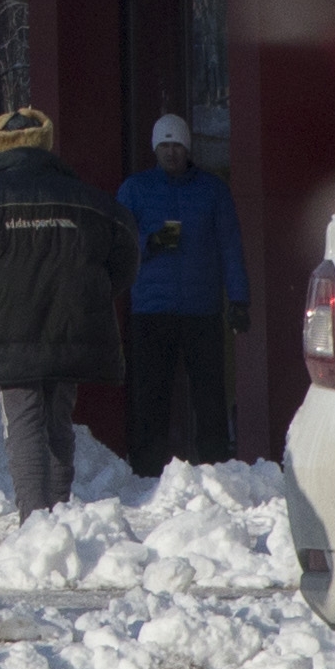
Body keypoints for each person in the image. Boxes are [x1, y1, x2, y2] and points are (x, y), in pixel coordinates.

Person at [0, 106, 139, 516]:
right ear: (45, 145)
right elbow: (126, 254)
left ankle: (34, 524)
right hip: (71, 329)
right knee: (59, 423)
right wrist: (93, 296)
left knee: (21, 425)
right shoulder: (91, 201)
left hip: (3, 332)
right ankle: (57, 519)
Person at [116, 111, 248, 468]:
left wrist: (239, 299)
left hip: (201, 308)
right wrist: (151, 242)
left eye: (177, 145)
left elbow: (230, 245)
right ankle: (146, 469)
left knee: (209, 395)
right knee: (151, 394)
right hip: (151, 308)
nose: (171, 152)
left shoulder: (212, 190)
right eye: (164, 145)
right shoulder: (135, 189)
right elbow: (118, 243)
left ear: (188, 148)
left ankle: (216, 465)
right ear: (155, 149)